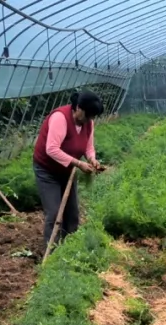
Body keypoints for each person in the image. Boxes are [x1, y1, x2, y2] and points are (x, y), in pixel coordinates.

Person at [33, 91, 104, 249]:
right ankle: (52, 251)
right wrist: (79, 164)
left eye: (92, 117)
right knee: (54, 213)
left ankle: (69, 250)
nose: (89, 120)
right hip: (47, 171)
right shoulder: (60, 118)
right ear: (78, 108)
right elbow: (51, 149)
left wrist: (92, 159)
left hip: (67, 171)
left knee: (72, 215)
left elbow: (88, 147)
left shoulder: (88, 123)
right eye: (88, 115)